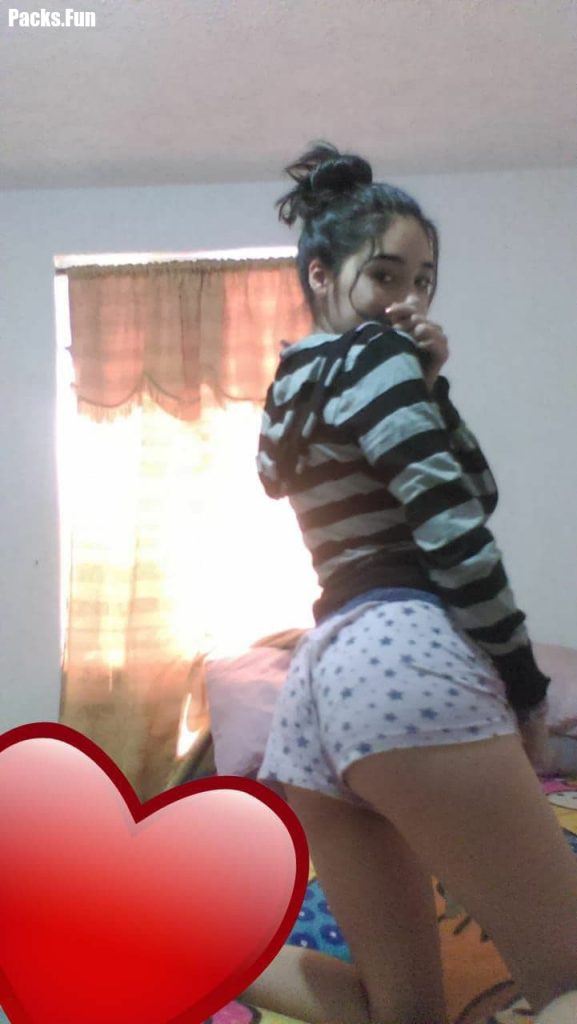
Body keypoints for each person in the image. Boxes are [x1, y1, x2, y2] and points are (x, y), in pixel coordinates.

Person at [240, 142, 577, 1024]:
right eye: (385, 274)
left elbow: (433, 485)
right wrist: (525, 689)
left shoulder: (293, 381)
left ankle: (175, 931)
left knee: (402, 1010)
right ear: (321, 273)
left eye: (422, 283)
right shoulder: (377, 358)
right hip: (406, 653)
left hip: (319, 685)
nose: (406, 301)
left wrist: (429, 385)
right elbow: (457, 525)